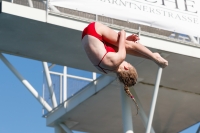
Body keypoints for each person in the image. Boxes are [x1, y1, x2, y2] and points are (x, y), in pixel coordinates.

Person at [81, 22, 168, 114]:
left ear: (126, 68)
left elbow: (123, 33)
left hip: (94, 30)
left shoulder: (119, 58)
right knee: (124, 45)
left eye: (129, 63)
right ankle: (152, 56)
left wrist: (125, 39)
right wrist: (124, 41)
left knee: (128, 45)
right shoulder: (105, 70)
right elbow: (110, 47)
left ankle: (154, 57)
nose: (127, 62)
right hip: (85, 36)